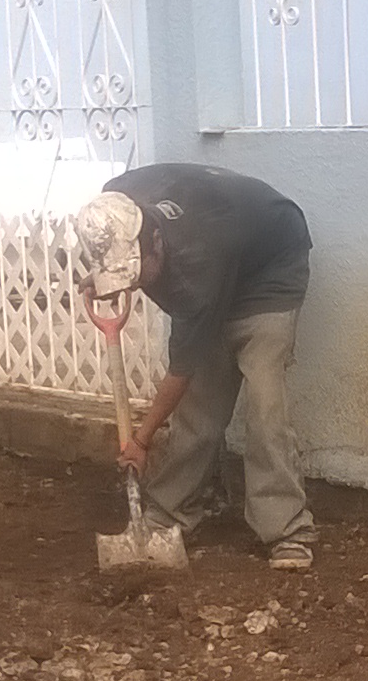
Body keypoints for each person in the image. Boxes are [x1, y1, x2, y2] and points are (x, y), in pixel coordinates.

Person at [72, 164, 319, 571]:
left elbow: (181, 369)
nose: (134, 285)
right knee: (199, 409)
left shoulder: (195, 262)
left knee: (264, 403)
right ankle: (170, 511)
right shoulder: (115, 204)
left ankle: (286, 529)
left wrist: (142, 439)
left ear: (157, 241)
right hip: (224, 252)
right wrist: (105, 276)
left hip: (268, 275)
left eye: (136, 273)